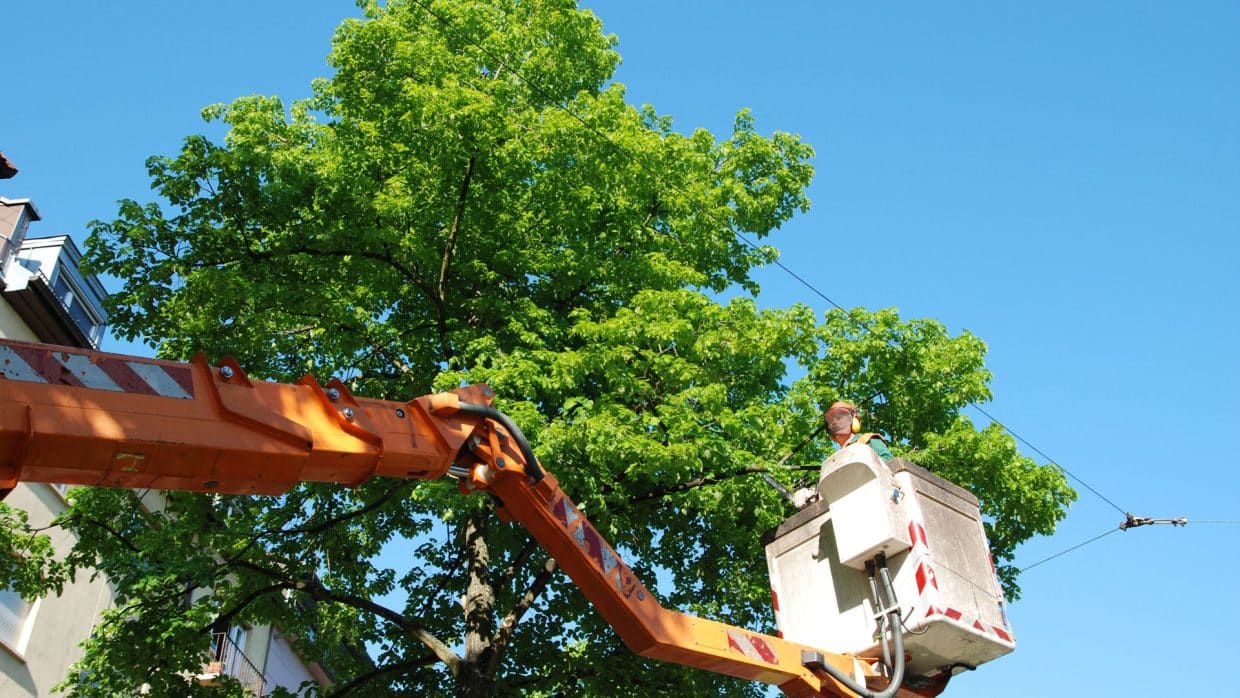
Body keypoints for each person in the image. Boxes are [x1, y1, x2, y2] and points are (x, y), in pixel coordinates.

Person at [824, 400, 893, 462]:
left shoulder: (868, 440)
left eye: (839, 418)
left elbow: (889, 461)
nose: (835, 423)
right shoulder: (836, 459)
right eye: (831, 421)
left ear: (853, 419)